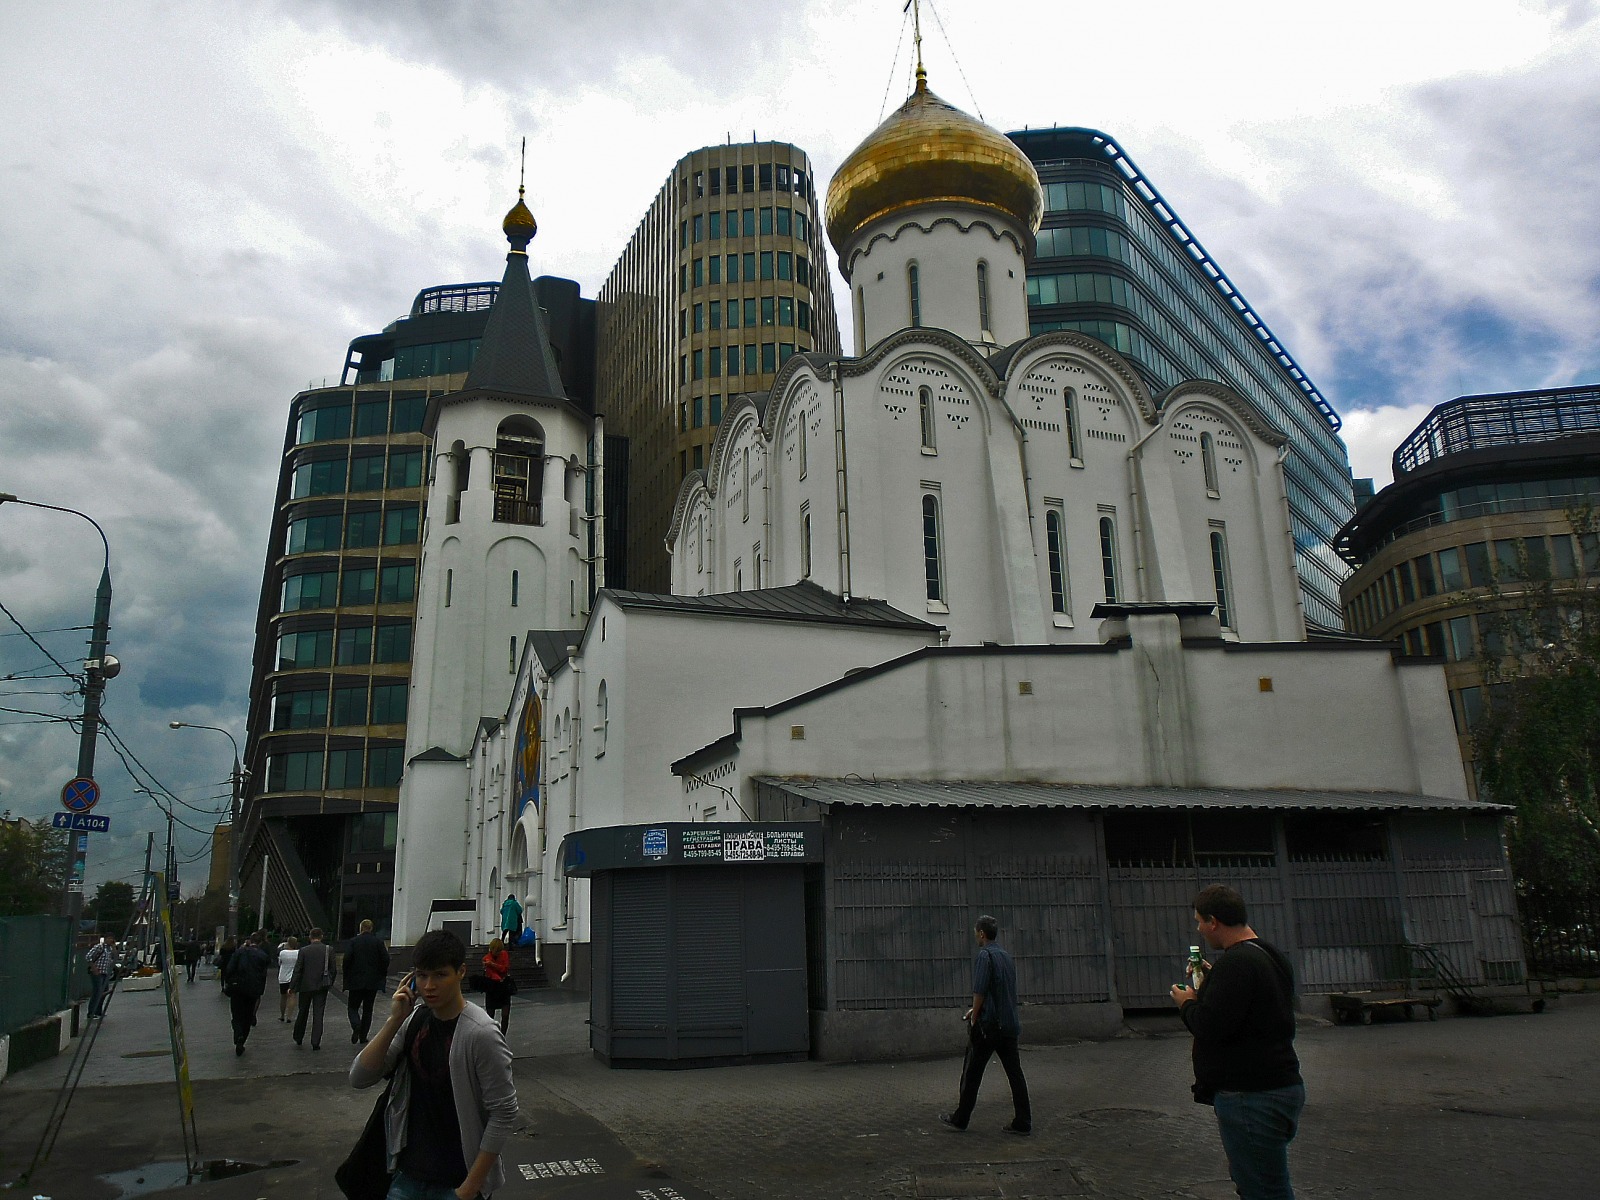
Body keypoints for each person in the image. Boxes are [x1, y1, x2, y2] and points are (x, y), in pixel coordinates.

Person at [350, 928, 519, 1199]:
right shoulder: (414, 1021)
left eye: (440, 975)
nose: (429, 986)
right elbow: (359, 1078)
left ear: (461, 972)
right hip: (406, 1177)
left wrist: (467, 1190)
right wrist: (394, 1020)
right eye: (422, 975)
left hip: (456, 1182)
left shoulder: (481, 1033)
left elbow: (503, 1112)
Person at [1171, 884, 1304, 1200]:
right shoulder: (1266, 954)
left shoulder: (1237, 964)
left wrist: (1187, 1002)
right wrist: (1212, 977)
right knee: (1263, 1181)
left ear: (1213, 921)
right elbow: (1249, 1004)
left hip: (1251, 1097)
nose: (1199, 929)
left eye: (1199, 922)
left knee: (1262, 1190)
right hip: (1279, 1086)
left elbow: (1210, 1025)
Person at [940, 914, 1031, 1135]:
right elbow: (1003, 991)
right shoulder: (1006, 957)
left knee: (972, 1073)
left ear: (982, 933)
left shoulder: (984, 956)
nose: (976, 937)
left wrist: (974, 1013)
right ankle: (1023, 1121)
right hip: (1009, 1025)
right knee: (1015, 1075)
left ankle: (960, 1119)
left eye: (976, 933)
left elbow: (980, 991)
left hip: (989, 1026)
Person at [222, 931, 271, 1056]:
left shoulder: (239, 952)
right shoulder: (263, 956)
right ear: (260, 942)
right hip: (253, 989)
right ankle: (242, 1039)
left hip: (238, 987)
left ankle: (238, 1034)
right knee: (248, 1015)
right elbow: (263, 974)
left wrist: (229, 982)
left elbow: (230, 969)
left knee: (237, 1014)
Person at [345, 918, 391, 1044]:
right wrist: (380, 973)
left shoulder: (353, 942)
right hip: (373, 981)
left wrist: (348, 975)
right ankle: (363, 1036)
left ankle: (356, 1025)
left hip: (356, 980)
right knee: (368, 1009)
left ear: (361, 928)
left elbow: (347, 959)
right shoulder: (378, 942)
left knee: (352, 1007)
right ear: (371, 928)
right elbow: (386, 959)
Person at [290, 927, 333, 1051]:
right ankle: (316, 1041)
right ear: (322, 936)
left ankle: (298, 1036)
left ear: (310, 937)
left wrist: (292, 986)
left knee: (303, 1011)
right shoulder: (328, 950)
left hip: (305, 985)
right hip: (321, 986)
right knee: (318, 1014)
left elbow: (298, 969)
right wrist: (329, 982)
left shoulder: (303, 951)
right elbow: (333, 969)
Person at [481, 938, 512, 1035]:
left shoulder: (504, 954)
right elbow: (491, 974)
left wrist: (493, 965)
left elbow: (505, 969)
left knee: (505, 1015)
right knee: (490, 1015)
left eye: (500, 951)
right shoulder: (486, 958)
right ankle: (491, 1036)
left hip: (503, 988)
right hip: (492, 988)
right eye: (496, 951)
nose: (498, 953)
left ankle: (503, 1036)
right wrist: (499, 977)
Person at [85, 935, 115, 1019]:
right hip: (97, 972)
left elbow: (115, 958)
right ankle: (91, 1012)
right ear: (105, 939)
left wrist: (114, 947)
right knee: (97, 992)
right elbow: (88, 956)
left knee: (104, 991)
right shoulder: (99, 947)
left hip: (105, 973)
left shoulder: (109, 949)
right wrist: (94, 968)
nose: (110, 940)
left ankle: (98, 1011)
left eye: (112, 939)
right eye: (109, 938)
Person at [277, 936, 300, 1022]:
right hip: (294, 977)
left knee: (283, 996)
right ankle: (289, 1016)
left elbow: (280, 963)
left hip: (283, 977)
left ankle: (282, 1015)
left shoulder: (283, 953)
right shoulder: (299, 953)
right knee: (292, 996)